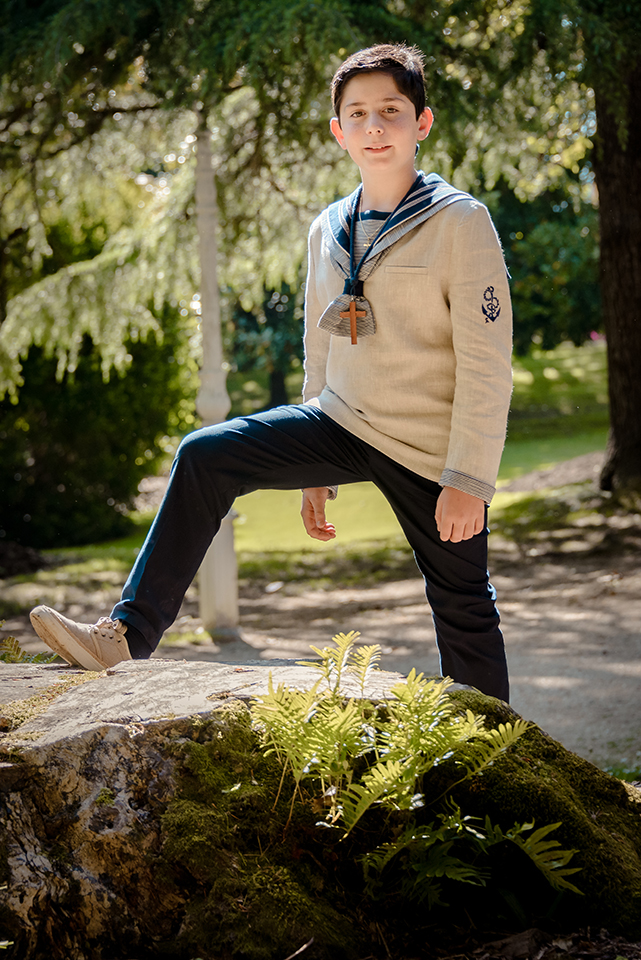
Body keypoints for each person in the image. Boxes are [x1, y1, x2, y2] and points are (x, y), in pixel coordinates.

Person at [30, 43, 513, 700]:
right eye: (359, 114)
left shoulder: (460, 222)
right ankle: (123, 637)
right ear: (337, 131)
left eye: (392, 112)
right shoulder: (326, 228)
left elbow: (488, 364)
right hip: (339, 421)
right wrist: (313, 471)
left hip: (429, 448)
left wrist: (468, 479)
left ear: (421, 124)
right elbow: (322, 348)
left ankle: (493, 756)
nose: (375, 127)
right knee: (205, 455)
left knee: (462, 603)